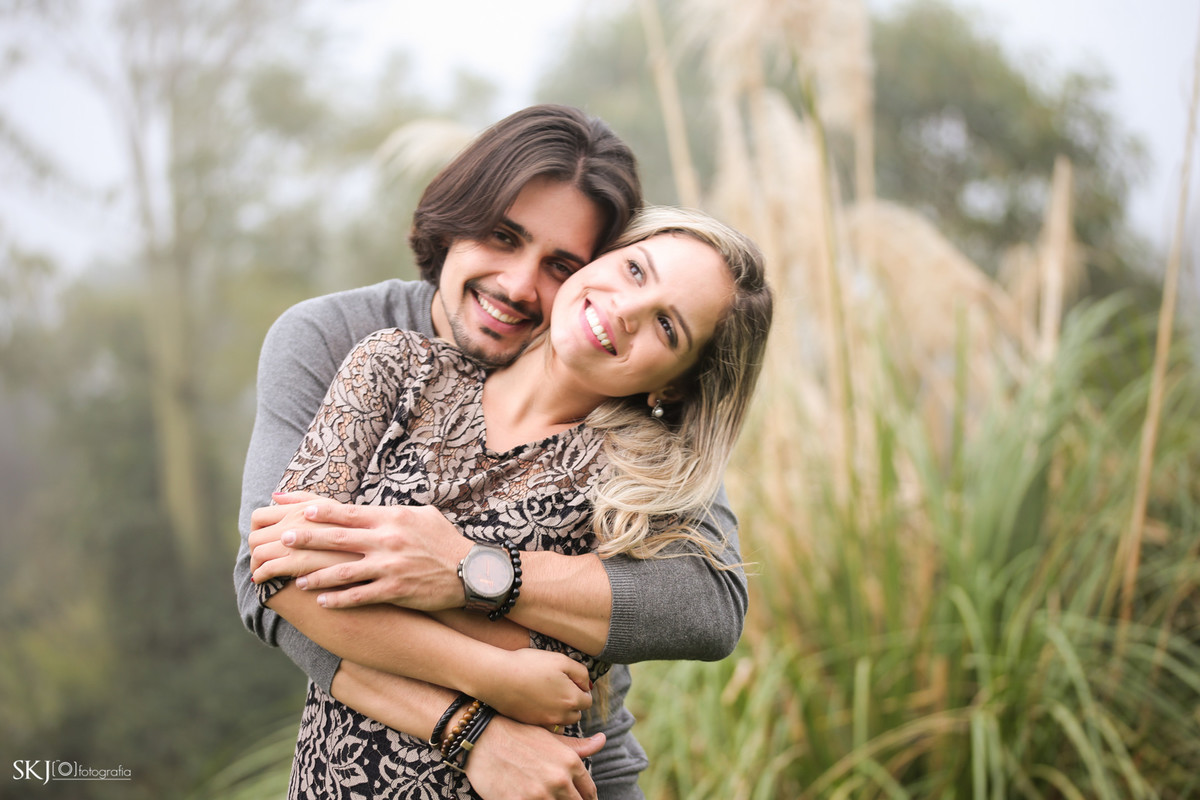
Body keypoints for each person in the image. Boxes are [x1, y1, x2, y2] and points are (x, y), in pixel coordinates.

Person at [232, 105, 747, 799]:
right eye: (502, 236)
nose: (515, 285)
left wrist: (468, 572)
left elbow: (705, 604)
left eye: (560, 264)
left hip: (569, 777)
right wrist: (474, 723)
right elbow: (273, 582)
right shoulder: (347, 342)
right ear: (455, 218)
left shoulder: (627, 441)